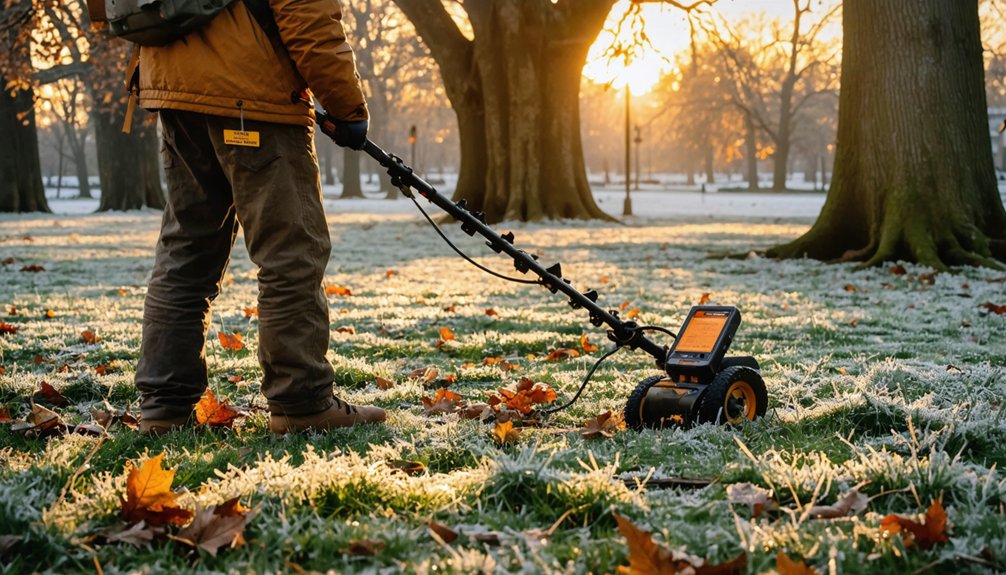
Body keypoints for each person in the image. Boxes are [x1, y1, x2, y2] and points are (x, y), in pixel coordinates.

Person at [132, 0, 386, 434]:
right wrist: (347, 106)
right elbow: (306, 14)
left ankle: (163, 407)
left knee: (186, 253)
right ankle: (301, 402)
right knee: (290, 251)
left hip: (173, 86)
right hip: (253, 94)